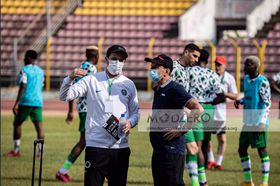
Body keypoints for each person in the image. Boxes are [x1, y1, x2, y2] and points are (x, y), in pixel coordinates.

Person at [59, 45, 139, 186]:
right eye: (114, 59)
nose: (118, 63)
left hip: (120, 148)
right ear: (106, 59)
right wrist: (70, 78)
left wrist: (130, 122)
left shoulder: (129, 84)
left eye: (121, 60)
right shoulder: (91, 80)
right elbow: (64, 95)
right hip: (96, 147)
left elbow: (135, 113)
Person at [146, 54, 204, 186]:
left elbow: (198, 109)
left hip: (171, 150)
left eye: (156, 66)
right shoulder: (158, 89)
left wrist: (182, 130)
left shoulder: (175, 88)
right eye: (151, 65)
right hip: (159, 149)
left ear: (166, 71)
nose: (151, 68)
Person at [56, 46, 99, 182]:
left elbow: (72, 89)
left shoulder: (80, 67)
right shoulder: (92, 69)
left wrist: (70, 110)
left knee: (93, 139)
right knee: (86, 141)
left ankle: (101, 170)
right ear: (96, 56)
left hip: (81, 108)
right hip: (89, 109)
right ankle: (62, 171)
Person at [188, 49, 226, 186]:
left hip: (193, 109)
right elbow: (222, 97)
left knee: (194, 145)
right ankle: (203, 179)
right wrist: (208, 102)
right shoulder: (212, 74)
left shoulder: (189, 72)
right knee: (204, 145)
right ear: (208, 60)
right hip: (208, 109)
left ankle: (198, 181)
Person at [234, 56, 271, 186]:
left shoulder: (263, 82)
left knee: (262, 150)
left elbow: (267, 103)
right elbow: (248, 97)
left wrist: (262, 123)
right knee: (242, 149)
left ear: (254, 67)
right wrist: (240, 101)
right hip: (247, 122)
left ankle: (264, 183)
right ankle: (248, 181)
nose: (244, 67)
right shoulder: (246, 79)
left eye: (247, 65)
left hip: (258, 122)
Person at [171, 43, 202, 186]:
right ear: (185, 52)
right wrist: (188, 110)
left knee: (189, 150)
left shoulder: (186, 70)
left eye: (198, 57)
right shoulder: (173, 68)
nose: (196, 59)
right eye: (194, 56)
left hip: (182, 116)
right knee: (189, 150)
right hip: (174, 117)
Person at [3, 50, 44, 158]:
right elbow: (41, 85)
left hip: (26, 101)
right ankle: (40, 152)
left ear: (30, 58)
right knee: (39, 127)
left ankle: (16, 150)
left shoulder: (24, 70)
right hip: (38, 101)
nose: (24, 59)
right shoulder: (40, 71)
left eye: (25, 57)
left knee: (17, 124)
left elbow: (23, 86)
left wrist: (16, 103)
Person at [207, 56, 238, 170]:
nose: (217, 66)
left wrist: (225, 94)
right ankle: (210, 160)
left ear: (225, 65)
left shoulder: (229, 78)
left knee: (222, 139)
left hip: (221, 113)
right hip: (209, 111)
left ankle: (218, 163)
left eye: (220, 64)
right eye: (216, 64)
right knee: (207, 138)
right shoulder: (210, 75)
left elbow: (235, 95)